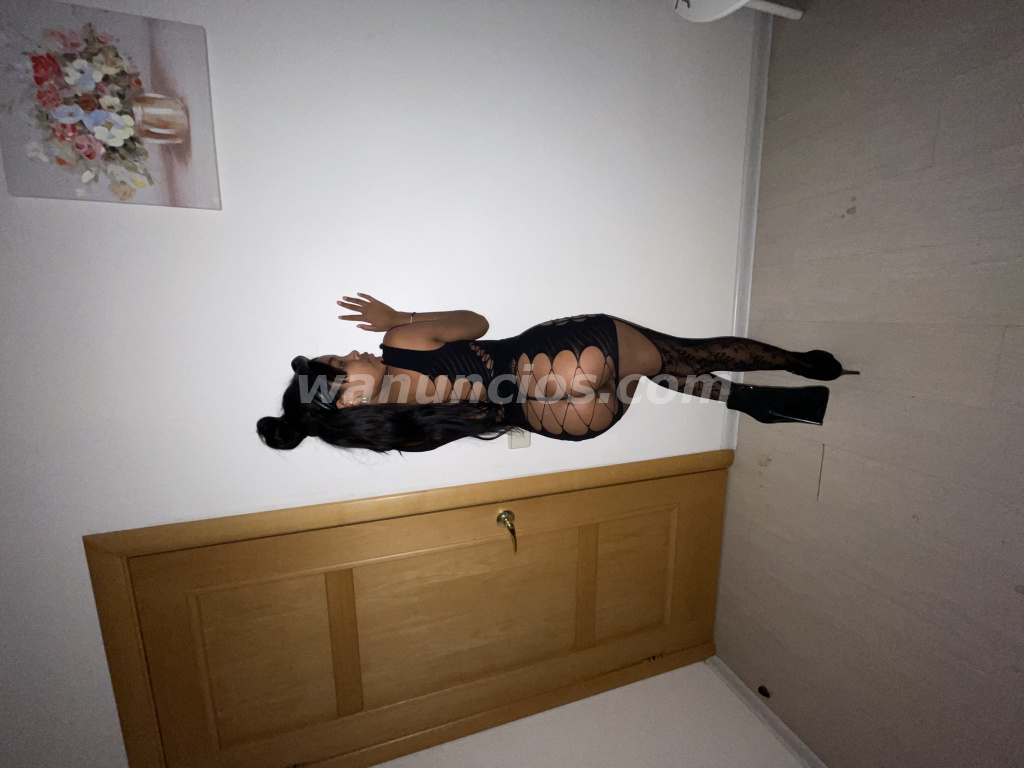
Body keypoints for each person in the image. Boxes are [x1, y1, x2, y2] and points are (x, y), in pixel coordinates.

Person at [257, 294, 857, 453]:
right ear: (346, 402)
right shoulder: (401, 343)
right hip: (558, 362)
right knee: (680, 353)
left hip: (569, 418)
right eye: (341, 365)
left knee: (655, 370)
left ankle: (753, 402)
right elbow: (479, 323)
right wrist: (402, 318)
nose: (350, 353)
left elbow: (486, 410)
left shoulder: (401, 433)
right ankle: (795, 363)